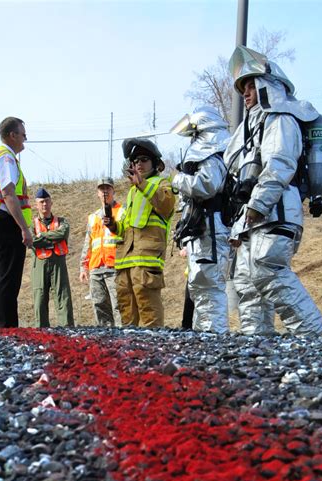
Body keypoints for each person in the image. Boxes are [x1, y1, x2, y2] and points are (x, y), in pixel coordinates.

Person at [224, 46, 322, 336]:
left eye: (250, 86)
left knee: (269, 272)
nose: (245, 94)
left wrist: (257, 206)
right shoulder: (251, 129)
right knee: (247, 284)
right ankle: (257, 347)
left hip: (276, 210)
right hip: (256, 216)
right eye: (242, 88)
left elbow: (279, 165)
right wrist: (239, 226)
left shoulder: (280, 118)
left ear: (266, 85)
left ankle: (315, 338)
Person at [170, 106, 231, 333]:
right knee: (199, 288)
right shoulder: (211, 153)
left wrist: (177, 180)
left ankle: (214, 338)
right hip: (203, 230)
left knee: (209, 288)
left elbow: (207, 185)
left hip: (211, 231)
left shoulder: (212, 154)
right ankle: (203, 339)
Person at [104, 138, 175, 328]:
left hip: (146, 260)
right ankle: (130, 354)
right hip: (125, 261)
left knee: (149, 312)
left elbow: (166, 205)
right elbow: (126, 227)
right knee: (127, 313)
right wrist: (113, 226)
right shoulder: (132, 193)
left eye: (143, 159)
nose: (138, 164)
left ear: (155, 163)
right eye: (135, 161)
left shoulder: (162, 184)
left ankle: (153, 353)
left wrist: (142, 184)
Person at [0, 116, 33, 327]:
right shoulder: (7, 158)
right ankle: (7, 328)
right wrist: (24, 229)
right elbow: (9, 193)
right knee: (8, 277)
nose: (25, 139)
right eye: (23, 134)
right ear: (12, 135)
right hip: (4, 222)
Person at [79, 178, 122, 327]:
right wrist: (84, 267)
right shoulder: (93, 217)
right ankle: (106, 341)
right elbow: (88, 244)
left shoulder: (122, 211)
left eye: (108, 188)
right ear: (97, 193)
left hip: (115, 267)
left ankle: (123, 340)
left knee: (119, 307)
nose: (105, 192)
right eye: (101, 189)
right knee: (99, 307)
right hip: (96, 269)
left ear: (113, 191)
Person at [31, 188, 74, 328]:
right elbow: (32, 242)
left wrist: (42, 237)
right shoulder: (32, 224)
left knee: (63, 296)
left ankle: (67, 330)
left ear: (51, 203)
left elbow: (62, 234)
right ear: (36, 205)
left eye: (47, 201)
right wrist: (52, 239)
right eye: (41, 202)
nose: (44, 204)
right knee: (40, 298)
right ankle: (42, 331)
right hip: (40, 264)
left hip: (58, 263)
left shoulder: (62, 221)